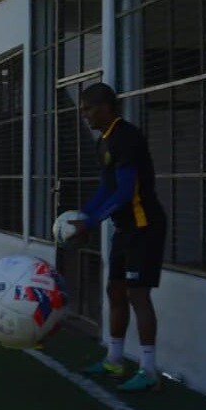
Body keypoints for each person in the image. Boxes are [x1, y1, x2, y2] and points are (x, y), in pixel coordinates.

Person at [72, 82, 167, 392]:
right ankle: (114, 359)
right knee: (115, 290)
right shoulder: (104, 141)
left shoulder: (126, 137)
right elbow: (106, 187)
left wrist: (92, 222)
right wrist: (84, 215)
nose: (84, 114)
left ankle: (149, 370)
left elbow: (125, 192)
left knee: (138, 295)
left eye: (87, 108)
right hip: (125, 229)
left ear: (105, 107)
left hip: (144, 226)